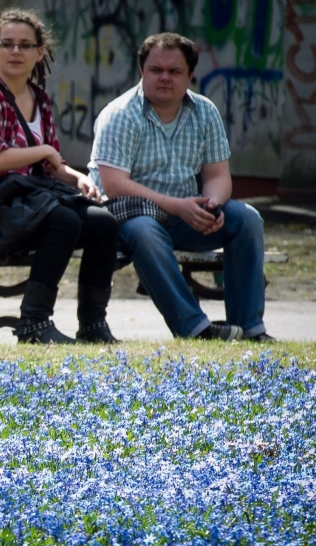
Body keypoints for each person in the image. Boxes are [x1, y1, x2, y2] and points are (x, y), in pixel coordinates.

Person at [0, 8, 120, 344]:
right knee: (64, 221)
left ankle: (93, 325)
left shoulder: (39, 98)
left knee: (103, 223)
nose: (15, 52)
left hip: (25, 205)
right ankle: (35, 324)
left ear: (40, 53)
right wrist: (45, 153)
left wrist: (77, 178)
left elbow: (51, 161)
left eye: (25, 45)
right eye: (7, 44)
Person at [88, 33, 270, 342]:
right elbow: (115, 185)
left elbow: (218, 175)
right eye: (155, 70)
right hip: (127, 217)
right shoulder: (120, 114)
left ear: (190, 76)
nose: (164, 78)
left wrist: (211, 205)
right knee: (146, 230)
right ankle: (195, 328)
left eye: (174, 72)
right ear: (141, 72)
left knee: (247, 218)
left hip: (185, 215)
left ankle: (249, 329)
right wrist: (179, 207)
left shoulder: (205, 111)